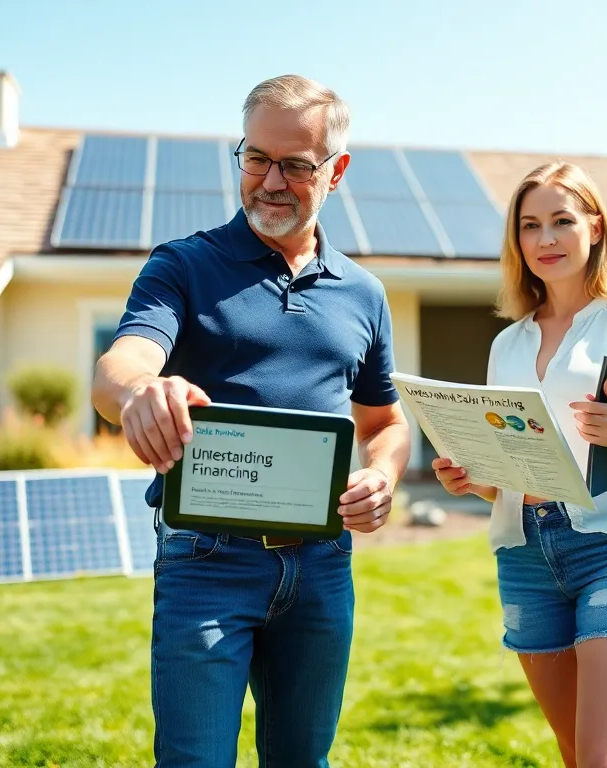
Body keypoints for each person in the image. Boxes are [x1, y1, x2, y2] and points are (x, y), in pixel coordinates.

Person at [92, 74, 412, 768]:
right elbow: (119, 365)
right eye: (255, 158)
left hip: (322, 566)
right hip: (207, 560)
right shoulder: (183, 266)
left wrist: (382, 474)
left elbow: (385, 420)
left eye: (296, 165)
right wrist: (140, 391)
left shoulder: (363, 293)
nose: (270, 180)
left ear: (337, 172)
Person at [432, 162, 607, 768]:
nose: (546, 239)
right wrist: (476, 480)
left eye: (562, 221)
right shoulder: (506, 344)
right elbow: (512, 472)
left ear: (596, 227)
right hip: (526, 553)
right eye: (530, 226)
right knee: (574, 753)